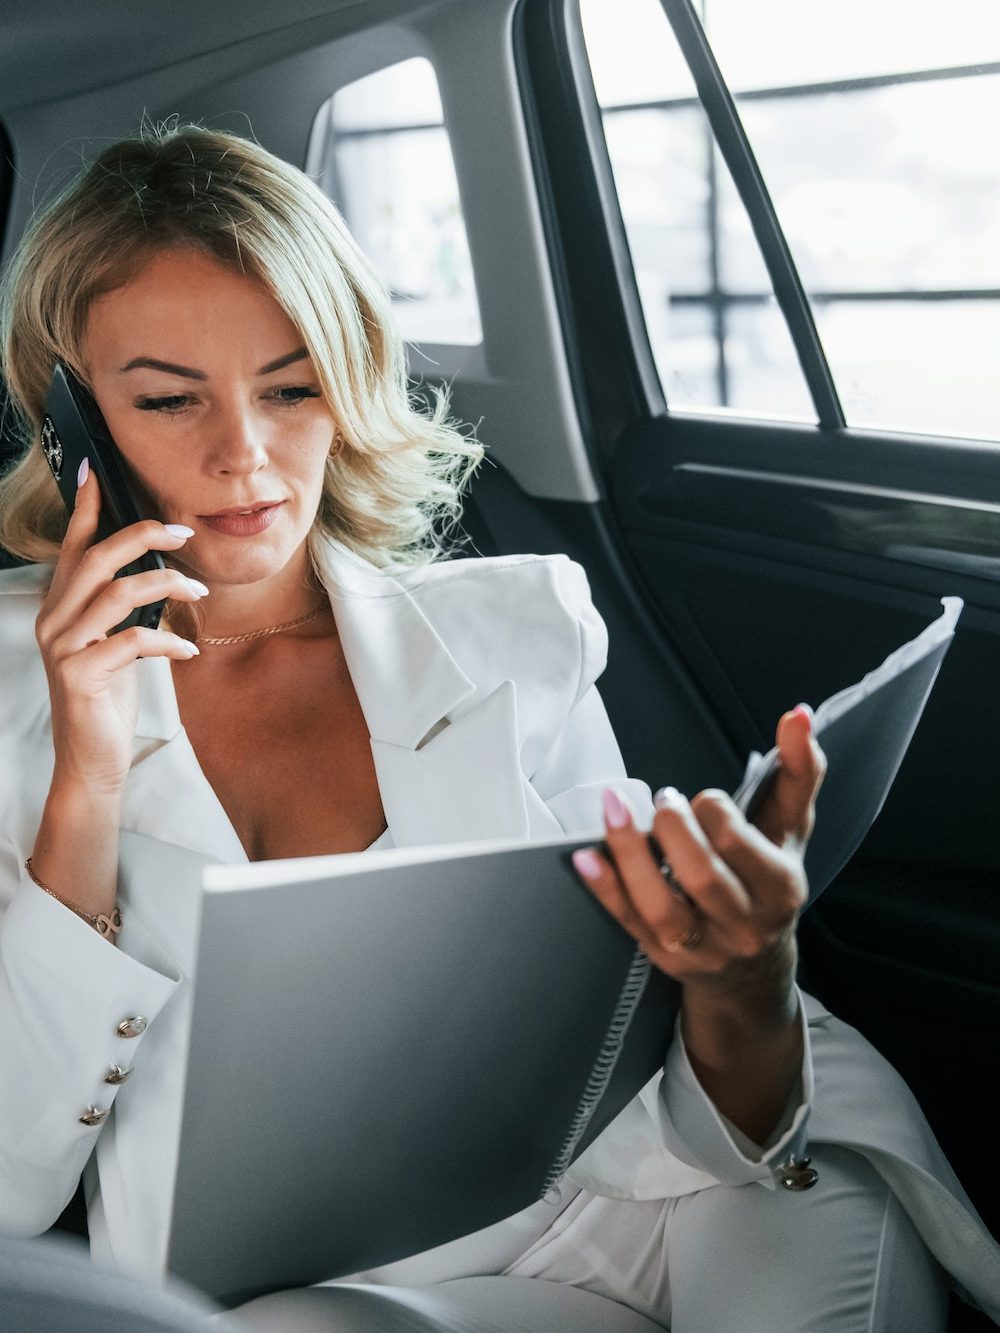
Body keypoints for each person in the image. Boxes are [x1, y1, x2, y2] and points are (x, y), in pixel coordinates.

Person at [0, 124, 996, 1333]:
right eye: (166, 399)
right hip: (351, 1284)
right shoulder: (17, 696)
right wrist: (86, 778)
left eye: (292, 384)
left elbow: (679, 1088)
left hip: (693, 1185)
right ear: (68, 416)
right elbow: (11, 1188)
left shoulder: (518, 625)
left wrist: (746, 974)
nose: (245, 456)